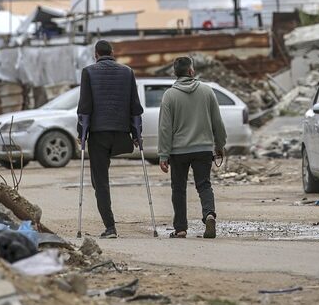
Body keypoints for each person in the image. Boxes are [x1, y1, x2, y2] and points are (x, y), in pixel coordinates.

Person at [77, 40, 143, 239]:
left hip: (99, 135)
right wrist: (136, 135)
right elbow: (135, 107)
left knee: (100, 182)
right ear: (112, 53)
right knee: (101, 181)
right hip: (121, 136)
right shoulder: (127, 72)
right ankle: (110, 225)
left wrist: (81, 134)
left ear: (95, 54)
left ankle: (110, 227)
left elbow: (84, 108)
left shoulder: (88, 72)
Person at [157, 56, 227, 239]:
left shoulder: (169, 95)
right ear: (191, 71)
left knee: (178, 188)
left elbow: (164, 128)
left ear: (175, 73)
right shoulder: (207, 91)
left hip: (178, 151)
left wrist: (163, 154)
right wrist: (220, 145)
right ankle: (209, 214)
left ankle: (180, 228)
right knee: (204, 185)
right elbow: (217, 122)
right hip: (203, 149)